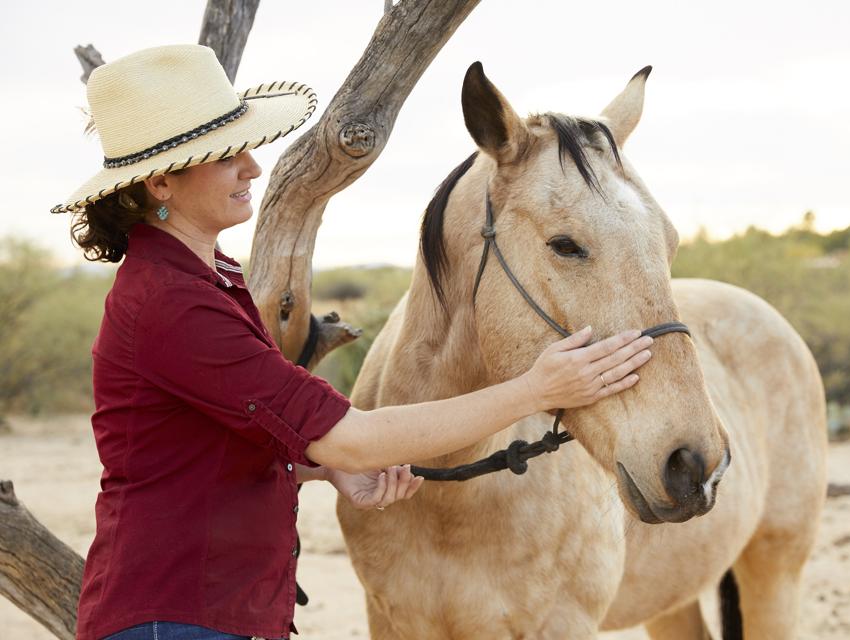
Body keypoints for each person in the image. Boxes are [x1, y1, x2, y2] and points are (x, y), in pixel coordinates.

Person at [52, 45, 655, 640]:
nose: (253, 169)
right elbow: (355, 436)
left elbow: (204, 448)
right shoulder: (171, 301)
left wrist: (325, 471)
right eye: (226, 157)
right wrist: (537, 389)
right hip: (176, 618)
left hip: (205, 611)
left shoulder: (208, 278)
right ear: (161, 183)